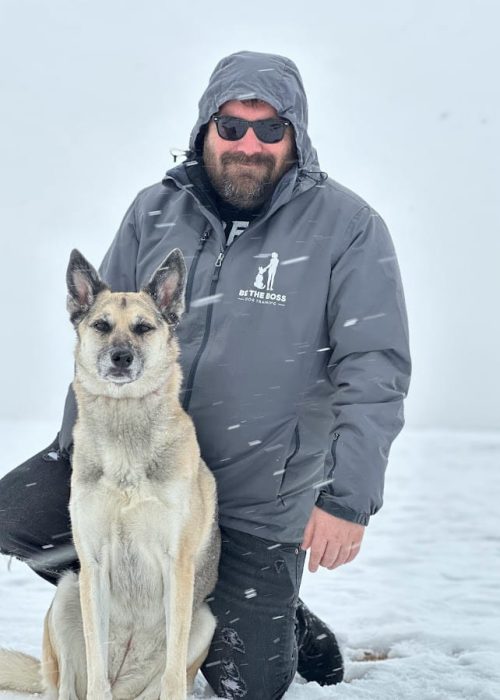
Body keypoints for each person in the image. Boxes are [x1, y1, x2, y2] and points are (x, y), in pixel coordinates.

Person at [0, 51, 411, 699]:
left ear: (295, 135)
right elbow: (104, 335)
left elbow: (375, 367)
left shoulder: (348, 229)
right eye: (232, 125)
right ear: (204, 128)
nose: (249, 143)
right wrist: (76, 452)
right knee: (15, 515)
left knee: (247, 686)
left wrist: (347, 499)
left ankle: (277, 615)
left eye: (270, 129)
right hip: (141, 465)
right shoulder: (154, 211)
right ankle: (144, 593)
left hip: (255, 506)